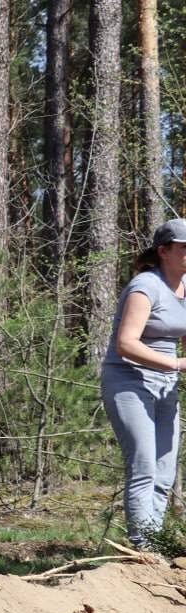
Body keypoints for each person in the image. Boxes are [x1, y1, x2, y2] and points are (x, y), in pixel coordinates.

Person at [101, 218, 186, 553]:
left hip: (166, 384)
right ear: (164, 251)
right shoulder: (145, 286)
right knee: (144, 466)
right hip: (128, 380)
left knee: (164, 472)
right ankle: (144, 549)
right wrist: (176, 363)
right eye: (184, 248)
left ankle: (154, 547)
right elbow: (127, 344)